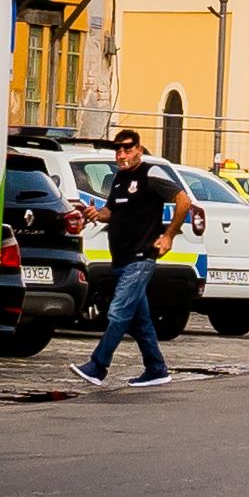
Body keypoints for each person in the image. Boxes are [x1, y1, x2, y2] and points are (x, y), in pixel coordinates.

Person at [82, 129, 180, 387]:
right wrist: (96, 213)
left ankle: (97, 366)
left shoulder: (149, 174)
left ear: (139, 149)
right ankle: (156, 368)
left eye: (127, 149)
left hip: (141, 257)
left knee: (118, 312)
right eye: (118, 150)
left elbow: (183, 201)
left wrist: (169, 235)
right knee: (141, 320)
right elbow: (111, 212)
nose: (122, 155)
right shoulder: (118, 179)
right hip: (121, 259)